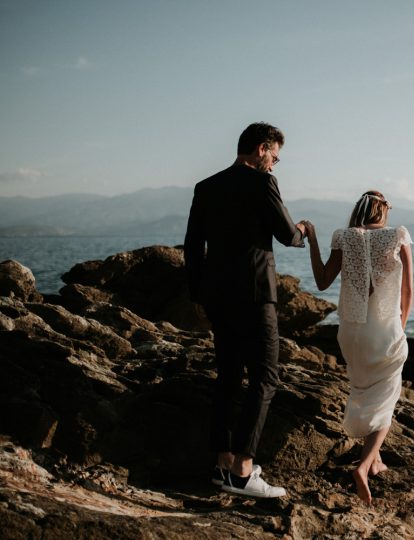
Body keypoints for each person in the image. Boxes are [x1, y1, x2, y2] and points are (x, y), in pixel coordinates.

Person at [183, 122, 307, 498]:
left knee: (227, 377)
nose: (276, 163)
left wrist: (197, 295)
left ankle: (222, 465)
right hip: (255, 295)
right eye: (275, 155)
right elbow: (288, 235)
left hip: (218, 296)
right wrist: (304, 229)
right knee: (265, 378)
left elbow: (192, 247)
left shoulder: (206, 187)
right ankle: (243, 469)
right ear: (261, 148)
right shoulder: (262, 182)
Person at [302, 190, 413, 504]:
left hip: (351, 332)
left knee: (365, 389)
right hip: (385, 328)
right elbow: (408, 291)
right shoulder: (398, 236)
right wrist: (399, 328)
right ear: (383, 210)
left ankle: (374, 458)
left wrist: (312, 238)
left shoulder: (343, 236)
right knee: (386, 395)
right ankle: (364, 467)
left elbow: (323, 280)